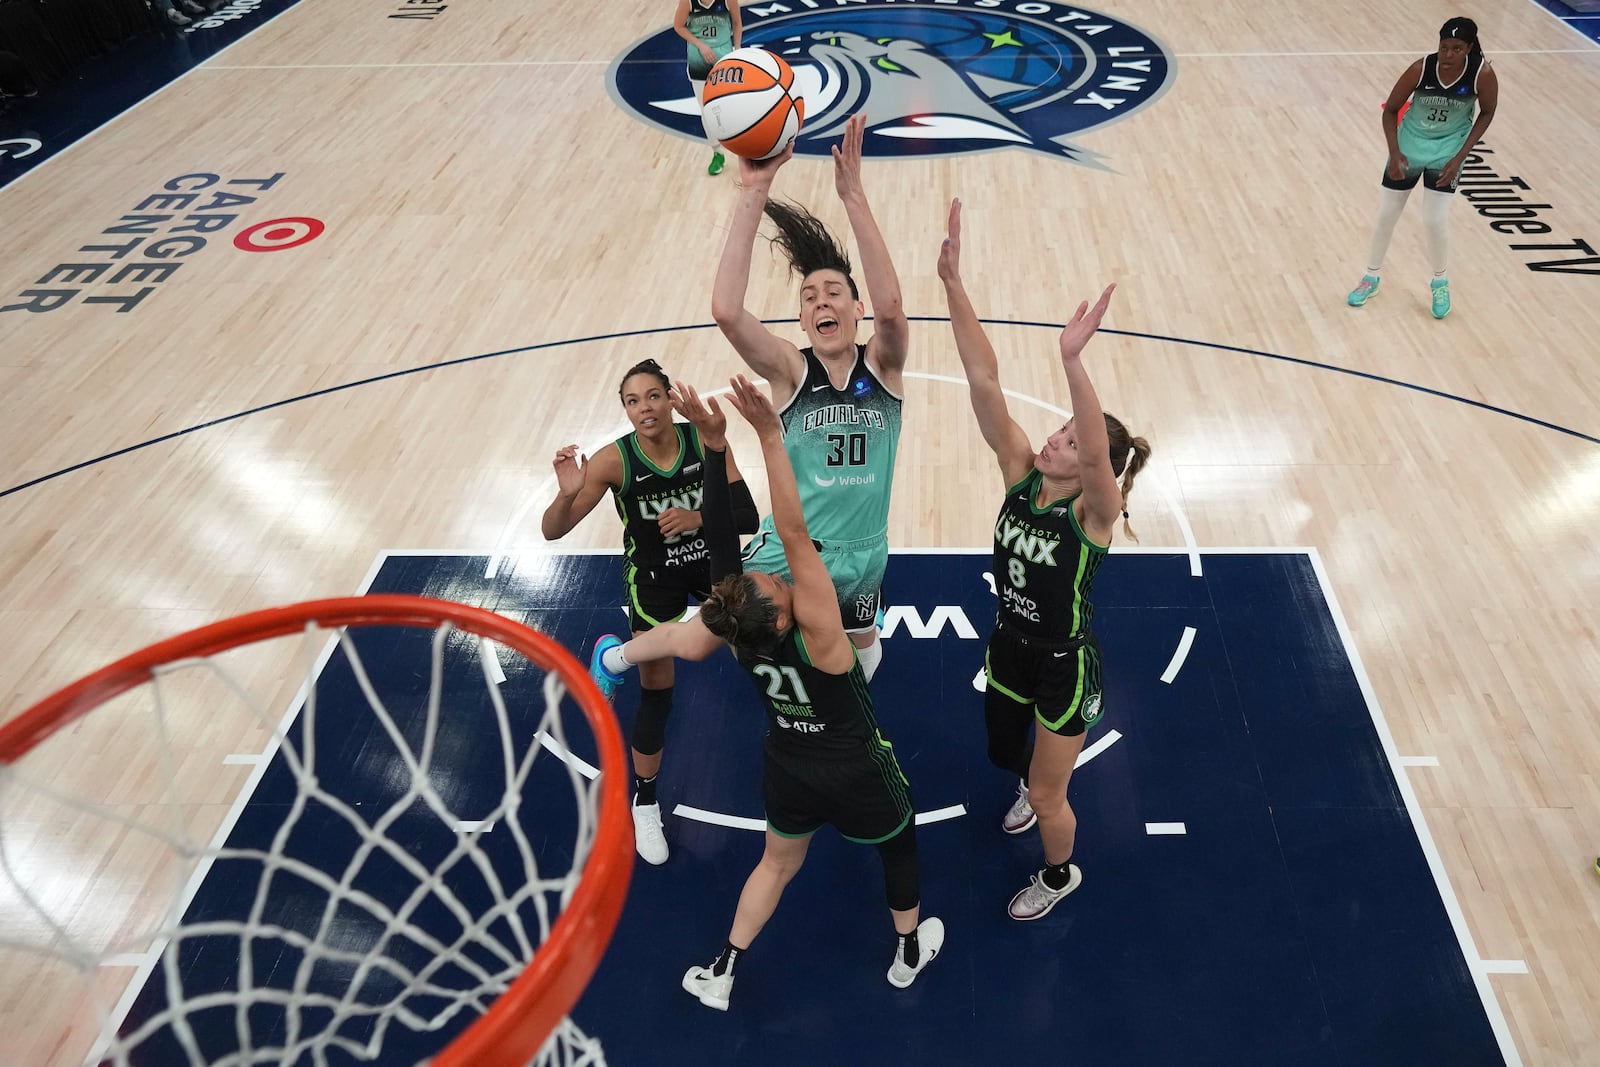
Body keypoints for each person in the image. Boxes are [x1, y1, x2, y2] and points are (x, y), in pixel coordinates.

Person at [590, 113, 908, 690]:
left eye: (834, 290)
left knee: (863, 652)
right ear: (805, 320)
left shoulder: (882, 367)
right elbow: (728, 312)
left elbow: (892, 309)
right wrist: (753, 191)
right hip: (791, 549)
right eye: (809, 297)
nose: (820, 300)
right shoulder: (791, 370)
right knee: (708, 634)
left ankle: (851, 721)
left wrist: (854, 197)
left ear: (855, 310)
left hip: (866, 550)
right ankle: (615, 658)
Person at [668, 375, 941, 1011]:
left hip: (789, 765)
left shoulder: (739, 631)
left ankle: (723, 969)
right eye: (771, 583)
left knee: (777, 864)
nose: (766, 573)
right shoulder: (822, 636)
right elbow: (793, 531)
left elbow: (719, 548)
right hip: (854, 764)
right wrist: (769, 434)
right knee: (898, 847)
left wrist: (712, 448)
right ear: (786, 616)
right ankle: (907, 951)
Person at [937, 198, 1151, 921]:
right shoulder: (1021, 474)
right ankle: (1028, 788)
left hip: (1065, 665)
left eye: (1067, 436)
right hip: (1009, 646)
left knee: (1052, 792)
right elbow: (984, 381)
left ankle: (1060, 875)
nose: (1055, 439)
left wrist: (1071, 360)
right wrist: (952, 285)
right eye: (1057, 431)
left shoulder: (1097, 514)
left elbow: (1096, 453)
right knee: (1009, 759)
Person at [542, 358, 759, 866]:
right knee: (658, 692)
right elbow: (553, 531)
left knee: (752, 646)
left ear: (669, 397)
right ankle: (644, 799)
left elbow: (746, 515)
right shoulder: (613, 462)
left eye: (653, 396)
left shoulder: (701, 438)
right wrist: (566, 495)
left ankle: (616, 658)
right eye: (633, 401)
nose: (645, 408)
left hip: (710, 562)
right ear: (626, 410)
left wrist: (699, 516)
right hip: (654, 578)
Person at [1346, 16, 1499, 319]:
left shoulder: (1482, 74)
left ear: (1468, 48)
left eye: (1457, 48)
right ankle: (1371, 277)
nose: (1448, 54)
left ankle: (1440, 282)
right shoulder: (1421, 68)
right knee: (1387, 215)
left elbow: (1488, 112)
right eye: (1444, 47)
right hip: (1409, 148)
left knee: (1434, 220)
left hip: (1448, 153)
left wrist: (1460, 157)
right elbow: (1390, 110)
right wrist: (1394, 151)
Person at [673, 0, 742, 176]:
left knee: (733, 107)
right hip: (698, 61)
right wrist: (701, 45)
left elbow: (736, 23)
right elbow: (679, 26)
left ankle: (744, 150)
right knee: (707, 110)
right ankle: (717, 153)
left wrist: (738, 50)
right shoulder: (688, 2)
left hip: (724, 58)